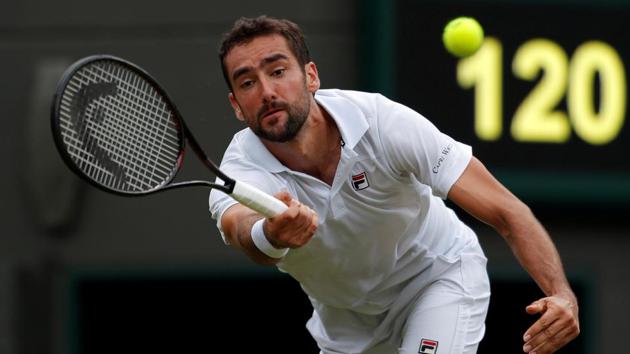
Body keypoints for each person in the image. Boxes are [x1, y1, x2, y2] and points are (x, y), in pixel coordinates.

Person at [209, 15, 579, 354]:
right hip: (345, 327)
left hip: (437, 279)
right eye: (247, 82)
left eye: (277, 71)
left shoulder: (384, 124)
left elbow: (506, 210)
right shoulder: (241, 169)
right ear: (236, 105)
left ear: (311, 77)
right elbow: (242, 229)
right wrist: (271, 235)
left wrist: (561, 294)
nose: (267, 91)